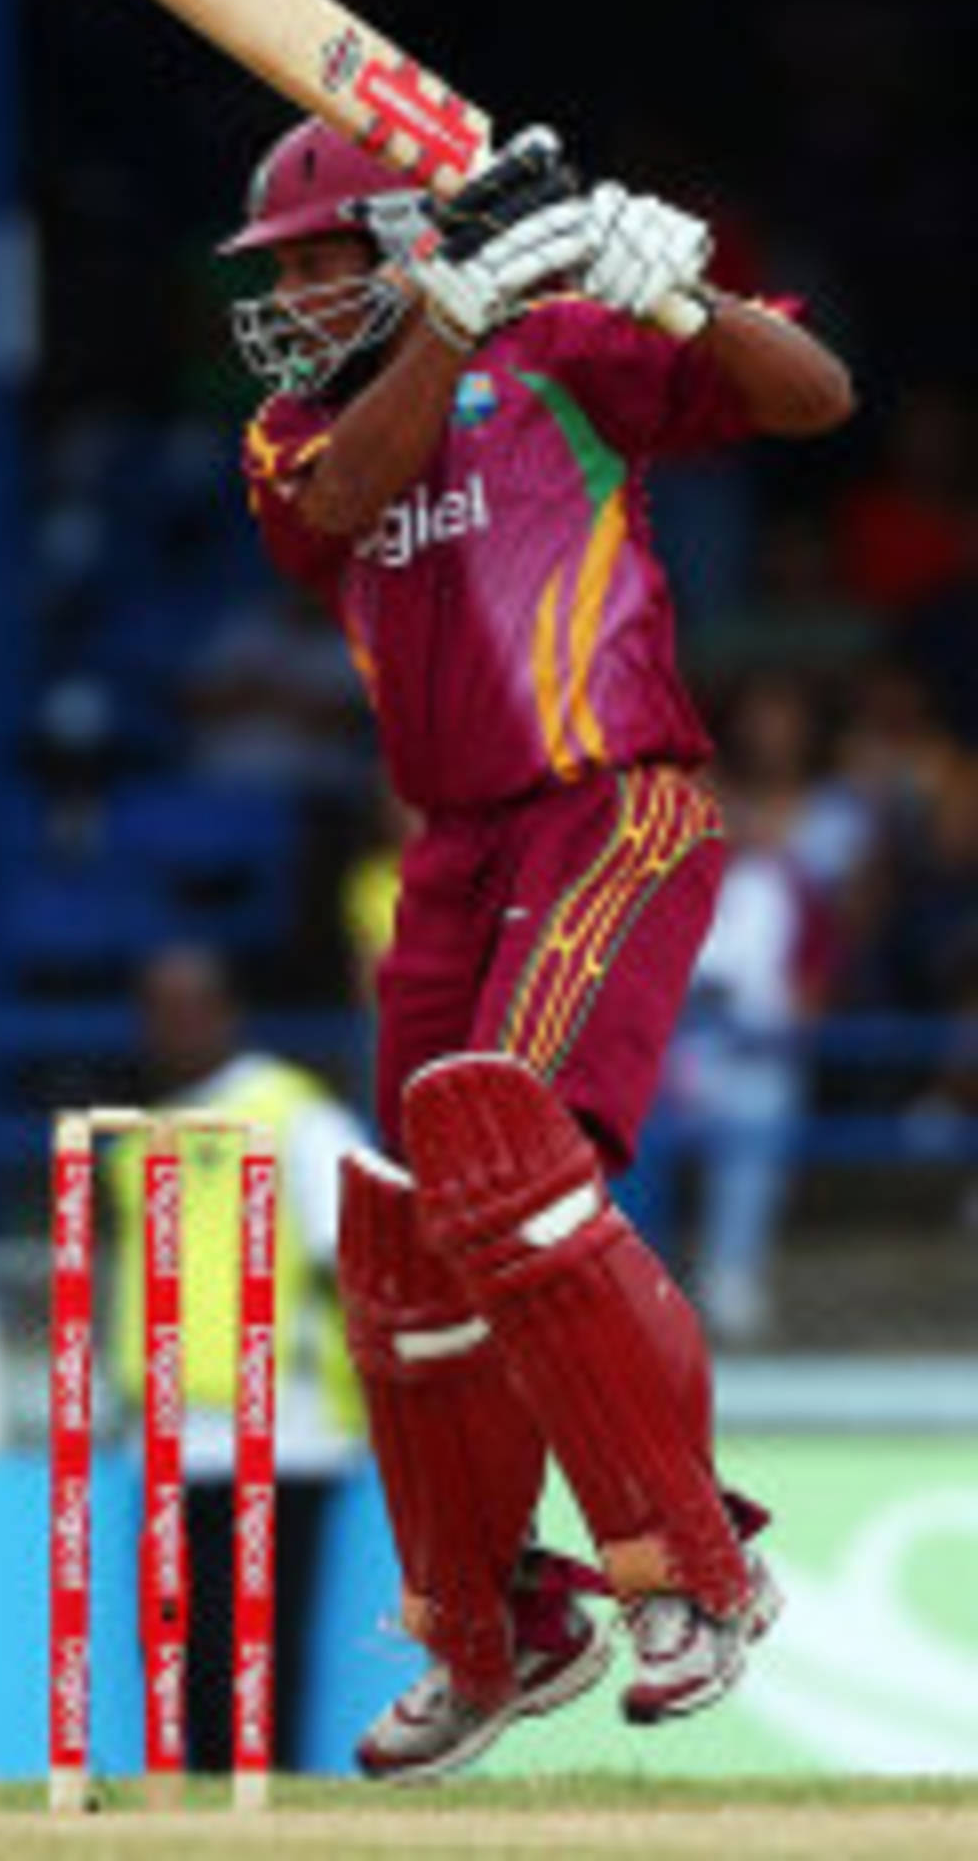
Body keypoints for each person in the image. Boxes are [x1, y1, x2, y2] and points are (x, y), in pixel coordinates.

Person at [217, 114, 854, 1779]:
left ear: (407, 238)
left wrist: (686, 292)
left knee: (511, 1157)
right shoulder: (295, 428)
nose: (287, 297)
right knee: (408, 1252)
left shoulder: (566, 350)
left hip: (610, 806)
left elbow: (814, 397)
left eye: (312, 259)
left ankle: (690, 1565)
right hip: (452, 857)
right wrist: (440, 311)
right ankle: (498, 1622)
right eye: (276, 270)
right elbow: (343, 501)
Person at [104, 941, 367, 1773]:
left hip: (283, 1429)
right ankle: (193, 1823)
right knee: (179, 1655)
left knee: (259, 1651)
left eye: (187, 1009)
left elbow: (353, 1255)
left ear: (226, 1013)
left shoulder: (296, 1115)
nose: (170, 1030)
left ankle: (261, 1823)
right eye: (156, 1011)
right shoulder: (138, 1141)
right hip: (171, 1431)